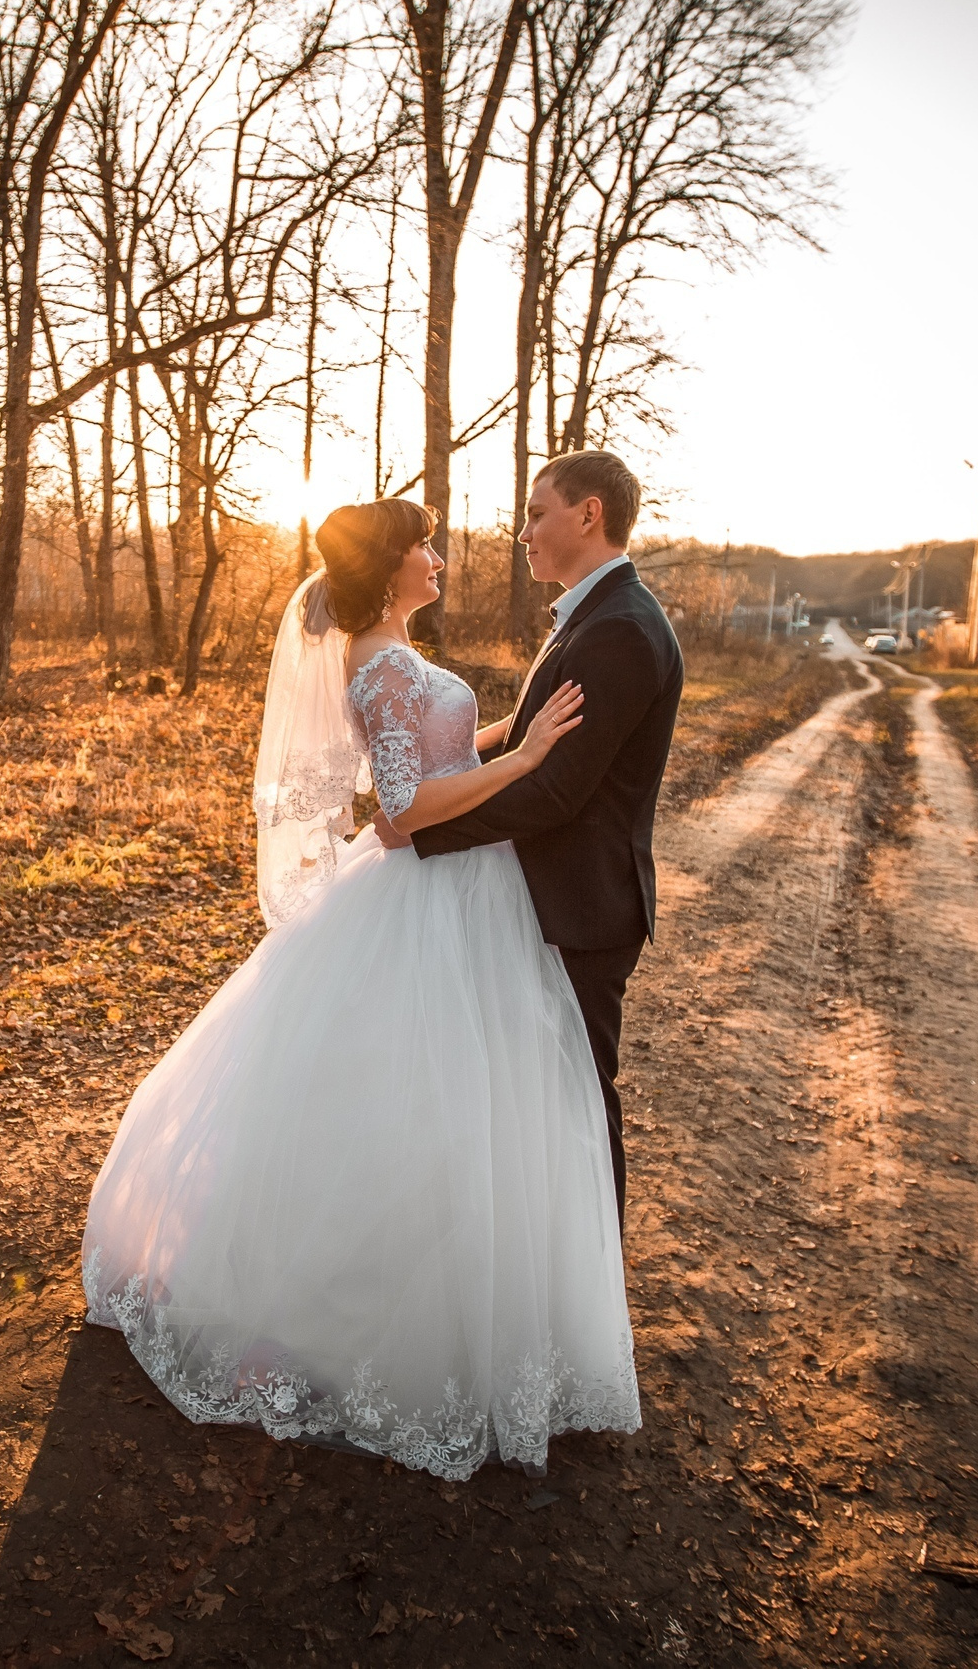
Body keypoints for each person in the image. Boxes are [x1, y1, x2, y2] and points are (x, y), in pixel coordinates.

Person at [79, 496, 641, 1481]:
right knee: (410, 1100)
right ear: (388, 568)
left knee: (456, 1109)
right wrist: (534, 757)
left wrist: (511, 734)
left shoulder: (395, 657)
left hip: (471, 890)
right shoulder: (377, 664)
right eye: (422, 544)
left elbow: (440, 751)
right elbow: (401, 812)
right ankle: (362, 1315)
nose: (437, 555)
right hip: (427, 893)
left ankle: (455, 1299)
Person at [389, 452, 685, 1233]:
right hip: (559, 899)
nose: (523, 532)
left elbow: (556, 789)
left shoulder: (619, 628)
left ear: (588, 515)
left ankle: (591, 1295)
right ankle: (554, 1272)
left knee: (582, 1100)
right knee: (548, 1100)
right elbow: (529, 749)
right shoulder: (596, 616)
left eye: (536, 512)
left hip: (583, 908)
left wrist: (422, 829)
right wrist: (423, 793)